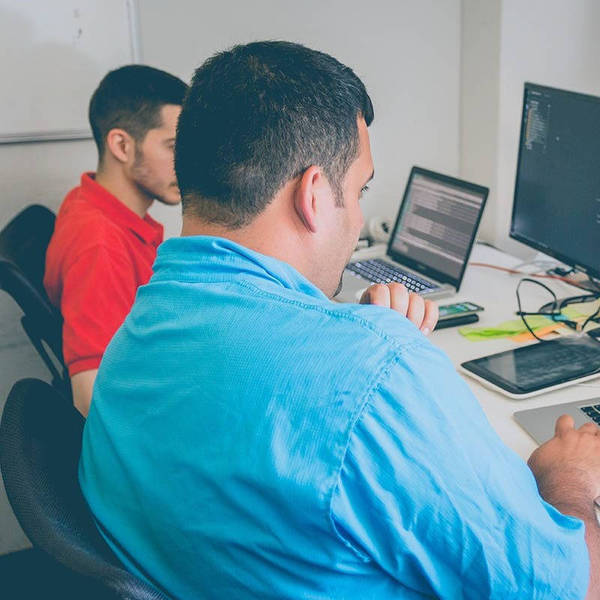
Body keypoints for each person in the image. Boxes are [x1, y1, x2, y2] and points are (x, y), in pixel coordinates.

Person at [79, 42, 599, 599]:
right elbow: (572, 590)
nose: (357, 219)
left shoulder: (140, 326)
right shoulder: (373, 374)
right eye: (358, 191)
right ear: (313, 195)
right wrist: (568, 480)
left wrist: (352, 344)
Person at [44, 65, 187, 416]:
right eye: (173, 146)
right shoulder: (100, 246)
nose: (186, 163)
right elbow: (89, 398)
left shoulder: (89, 200)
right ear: (122, 145)